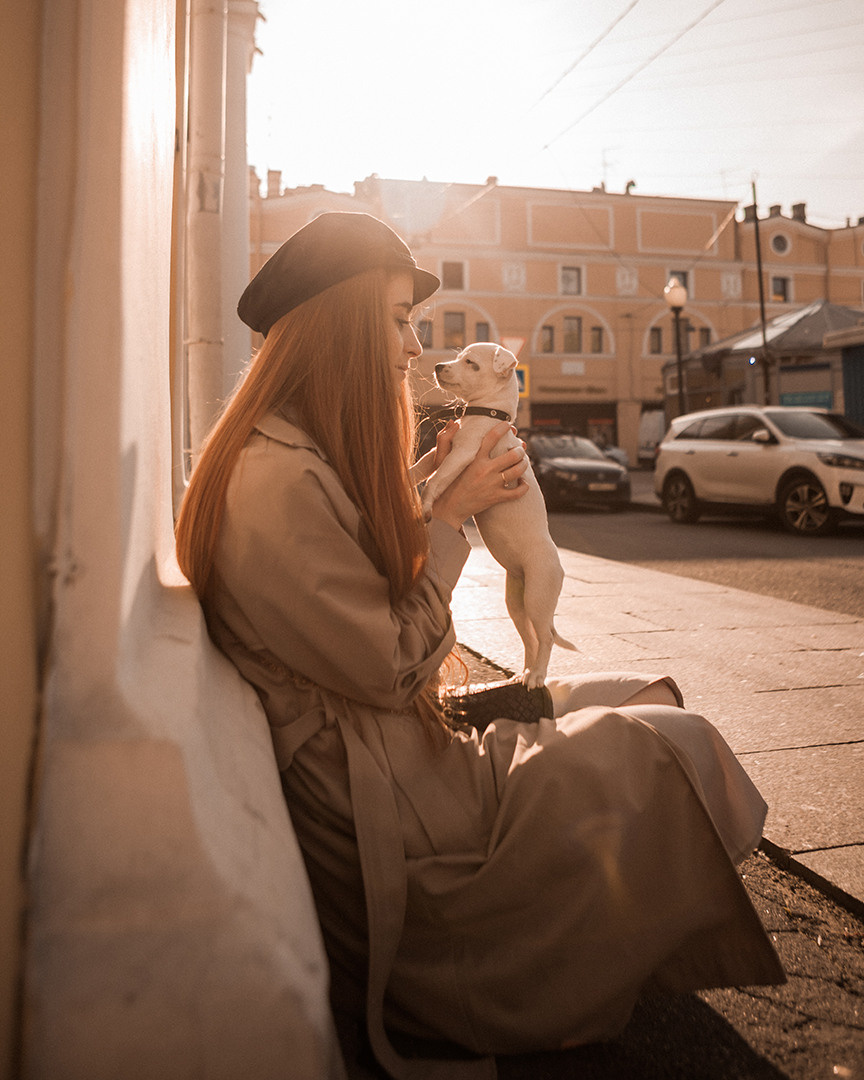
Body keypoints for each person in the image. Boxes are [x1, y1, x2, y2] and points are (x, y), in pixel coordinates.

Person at [175, 212, 784, 1080]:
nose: (413, 347)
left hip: (399, 749)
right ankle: (568, 968)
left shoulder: (291, 449)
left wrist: (425, 487)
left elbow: (353, 568)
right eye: (396, 320)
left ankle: (603, 939)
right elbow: (389, 663)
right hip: (393, 799)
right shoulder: (276, 478)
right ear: (338, 328)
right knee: (675, 743)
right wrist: (451, 517)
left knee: (650, 694)